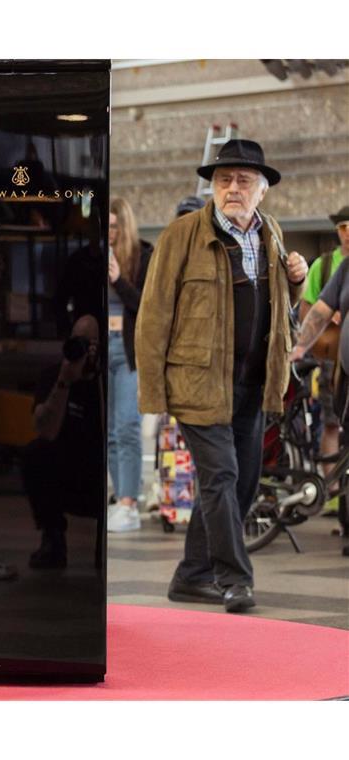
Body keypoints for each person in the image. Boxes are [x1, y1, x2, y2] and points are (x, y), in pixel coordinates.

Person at [137, 139, 308, 613]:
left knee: (243, 483)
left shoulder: (270, 233)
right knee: (221, 476)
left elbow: (280, 315)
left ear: (262, 190)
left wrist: (294, 284)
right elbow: (152, 316)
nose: (233, 188)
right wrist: (153, 393)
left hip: (252, 384)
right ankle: (234, 580)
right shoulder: (182, 235)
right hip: (197, 383)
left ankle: (191, 576)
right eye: (224, 180)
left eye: (244, 181)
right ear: (213, 186)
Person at [23, 316, 104, 568]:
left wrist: (95, 374)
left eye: (90, 343)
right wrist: (65, 381)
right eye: (78, 342)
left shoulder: (106, 380)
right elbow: (45, 431)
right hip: (65, 474)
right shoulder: (53, 375)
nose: (83, 349)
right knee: (36, 453)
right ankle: (53, 538)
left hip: (98, 475)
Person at [296, 205, 349, 516]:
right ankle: (339, 505)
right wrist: (300, 347)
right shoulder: (337, 267)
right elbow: (316, 310)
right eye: (342, 227)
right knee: (336, 428)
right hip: (341, 371)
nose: (348, 233)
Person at [106, 197, 153, 532]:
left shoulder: (144, 255)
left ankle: (129, 503)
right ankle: (118, 495)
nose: (108, 233)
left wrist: (119, 280)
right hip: (100, 349)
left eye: (113, 227)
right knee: (108, 432)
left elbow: (147, 306)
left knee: (127, 427)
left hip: (129, 350)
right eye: (104, 226)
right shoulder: (93, 253)